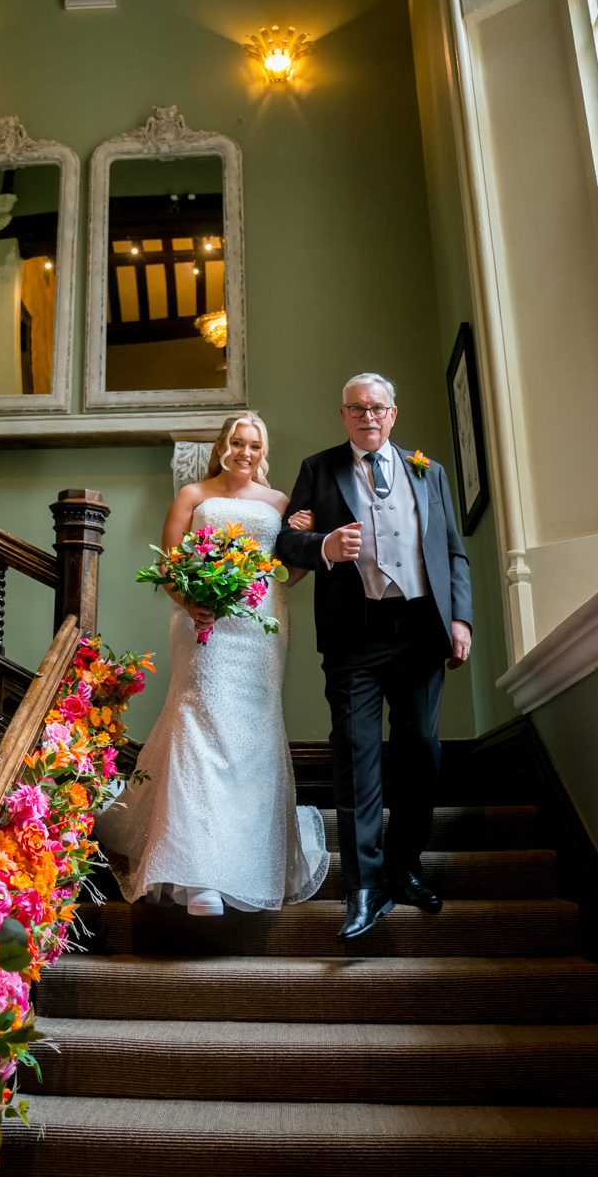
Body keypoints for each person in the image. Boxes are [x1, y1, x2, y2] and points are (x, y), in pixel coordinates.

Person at [96, 411, 329, 916]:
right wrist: (189, 600)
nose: (247, 452)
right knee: (198, 722)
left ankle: (241, 861)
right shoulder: (193, 496)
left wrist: (307, 537)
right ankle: (193, 872)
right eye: (239, 442)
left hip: (261, 628)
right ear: (223, 445)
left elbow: (289, 575)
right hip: (203, 623)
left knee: (252, 729)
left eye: (256, 445)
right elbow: (168, 564)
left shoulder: (281, 504)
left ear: (264, 452)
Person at [275, 373, 472, 940]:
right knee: (356, 756)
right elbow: (285, 542)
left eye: (377, 407)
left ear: (393, 414)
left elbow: (452, 552)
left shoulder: (427, 470)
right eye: (357, 408)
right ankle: (363, 889)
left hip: (420, 629)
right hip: (353, 634)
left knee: (421, 751)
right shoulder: (319, 468)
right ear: (343, 415)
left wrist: (459, 618)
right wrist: (324, 547)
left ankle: (405, 868)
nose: (368, 416)